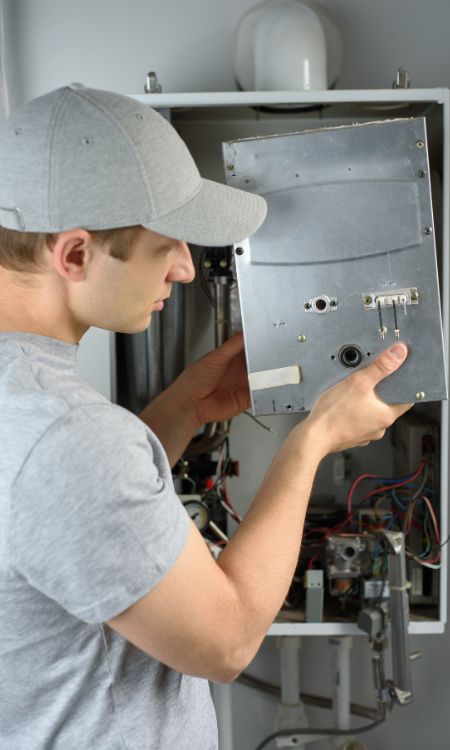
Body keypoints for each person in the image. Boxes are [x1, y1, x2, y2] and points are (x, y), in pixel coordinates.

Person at [0, 84, 412, 750]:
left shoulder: (29, 405)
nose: (189, 270)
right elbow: (227, 640)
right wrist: (313, 442)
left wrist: (183, 409)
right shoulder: (67, 436)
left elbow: (69, 524)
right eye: (168, 244)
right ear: (75, 254)